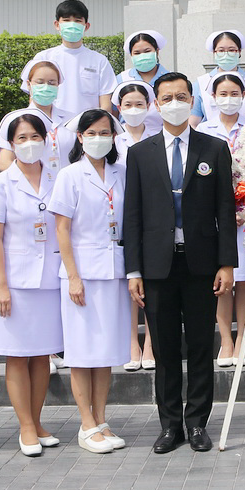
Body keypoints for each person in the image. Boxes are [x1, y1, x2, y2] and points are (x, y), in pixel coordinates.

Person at [123, 71, 237, 455]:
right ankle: (170, 425)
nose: (175, 102)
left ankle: (198, 423)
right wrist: (134, 270)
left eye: (182, 96)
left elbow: (225, 208)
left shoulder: (214, 148)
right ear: (157, 104)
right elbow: (133, 216)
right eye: (167, 97)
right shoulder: (140, 153)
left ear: (193, 100)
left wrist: (227, 263)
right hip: (157, 266)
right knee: (166, 349)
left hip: (202, 263)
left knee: (202, 345)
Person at [0, 112, 63, 457]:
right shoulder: (0, 184)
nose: (30, 144)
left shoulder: (59, 178)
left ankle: (38, 420)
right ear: (11, 145)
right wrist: (0, 285)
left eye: (35, 137)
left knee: (42, 355)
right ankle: (25, 426)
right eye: (22, 139)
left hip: (50, 279)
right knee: (17, 355)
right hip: (14, 281)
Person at [52, 110, 132, 455]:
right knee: (83, 352)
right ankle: (86, 423)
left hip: (113, 269)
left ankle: (101, 420)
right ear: (81, 137)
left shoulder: (123, 173)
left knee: (105, 352)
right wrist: (73, 276)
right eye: (92, 132)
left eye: (106, 132)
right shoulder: (69, 176)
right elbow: (61, 230)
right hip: (81, 274)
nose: (100, 138)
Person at [196, 73, 245, 368]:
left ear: (244, 95)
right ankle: (226, 340)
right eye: (223, 93)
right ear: (213, 97)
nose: (229, 98)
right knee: (221, 280)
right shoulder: (203, 130)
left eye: (235, 93)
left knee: (244, 278)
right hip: (213, 213)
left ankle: (243, 337)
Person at [106, 80, 159, 372]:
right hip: (120, 216)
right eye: (128, 105)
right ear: (119, 108)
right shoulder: (112, 141)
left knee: (150, 281)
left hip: (152, 217)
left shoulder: (158, 137)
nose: (134, 110)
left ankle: (150, 343)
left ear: (150, 106)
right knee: (129, 280)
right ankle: (131, 343)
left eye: (140, 104)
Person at [19, 0, 118, 116]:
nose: (72, 25)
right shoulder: (43, 58)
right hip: (53, 128)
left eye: (77, 21)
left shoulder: (99, 61)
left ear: (86, 26)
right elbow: (34, 99)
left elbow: (105, 105)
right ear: (57, 25)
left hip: (87, 129)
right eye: (66, 20)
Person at [0, 60, 75, 172]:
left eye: (52, 83)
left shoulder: (72, 119)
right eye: (40, 82)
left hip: (67, 186)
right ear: (29, 84)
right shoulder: (15, 120)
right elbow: (4, 163)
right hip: (33, 186)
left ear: (58, 85)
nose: (46, 87)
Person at [191, 30, 245, 125]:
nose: (226, 54)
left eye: (231, 50)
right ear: (214, 53)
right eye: (221, 50)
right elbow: (193, 122)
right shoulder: (201, 83)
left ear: (239, 52)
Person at [117, 31, 168, 134]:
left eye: (147, 51)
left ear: (157, 51)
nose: (142, 56)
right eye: (137, 53)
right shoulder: (122, 78)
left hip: (160, 136)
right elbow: (114, 112)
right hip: (127, 137)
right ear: (131, 55)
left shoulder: (169, 79)